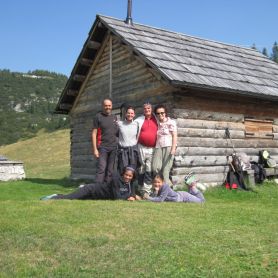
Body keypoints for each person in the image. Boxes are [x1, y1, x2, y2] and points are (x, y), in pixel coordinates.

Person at [40, 167, 140, 201]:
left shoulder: (131, 184)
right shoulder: (116, 180)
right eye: (126, 175)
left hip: (95, 197)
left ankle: (58, 195)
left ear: (132, 177)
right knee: (71, 198)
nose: (127, 177)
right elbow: (117, 197)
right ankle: (52, 197)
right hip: (91, 190)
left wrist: (133, 196)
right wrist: (129, 198)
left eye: (130, 176)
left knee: (77, 200)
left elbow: (132, 194)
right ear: (123, 174)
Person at [91, 98, 119, 183]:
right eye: (106, 105)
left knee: (110, 170)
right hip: (102, 147)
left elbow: (117, 132)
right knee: (101, 168)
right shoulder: (98, 117)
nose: (108, 107)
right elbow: (94, 133)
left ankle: (106, 188)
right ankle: (97, 189)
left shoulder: (115, 117)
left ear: (111, 106)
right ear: (103, 106)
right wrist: (95, 149)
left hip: (113, 147)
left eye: (109, 105)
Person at [135, 102, 158, 196]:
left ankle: (147, 191)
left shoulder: (156, 119)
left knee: (149, 168)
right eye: (145, 109)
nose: (147, 110)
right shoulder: (139, 120)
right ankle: (140, 188)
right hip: (141, 147)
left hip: (152, 148)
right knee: (141, 168)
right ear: (143, 110)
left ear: (151, 109)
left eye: (148, 108)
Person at [152, 104, 177, 186]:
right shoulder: (156, 122)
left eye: (162, 113)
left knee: (166, 171)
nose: (160, 115)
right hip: (158, 147)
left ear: (165, 113)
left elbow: (174, 136)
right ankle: (160, 187)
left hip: (169, 147)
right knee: (155, 168)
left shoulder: (171, 122)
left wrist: (173, 149)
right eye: (158, 113)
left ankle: (168, 190)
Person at [117, 106, 140, 174]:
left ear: (134, 114)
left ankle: (131, 184)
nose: (130, 115)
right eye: (128, 113)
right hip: (123, 151)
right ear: (125, 114)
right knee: (122, 170)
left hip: (133, 151)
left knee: (132, 171)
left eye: (132, 113)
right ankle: (122, 184)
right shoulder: (119, 124)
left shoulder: (137, 124)